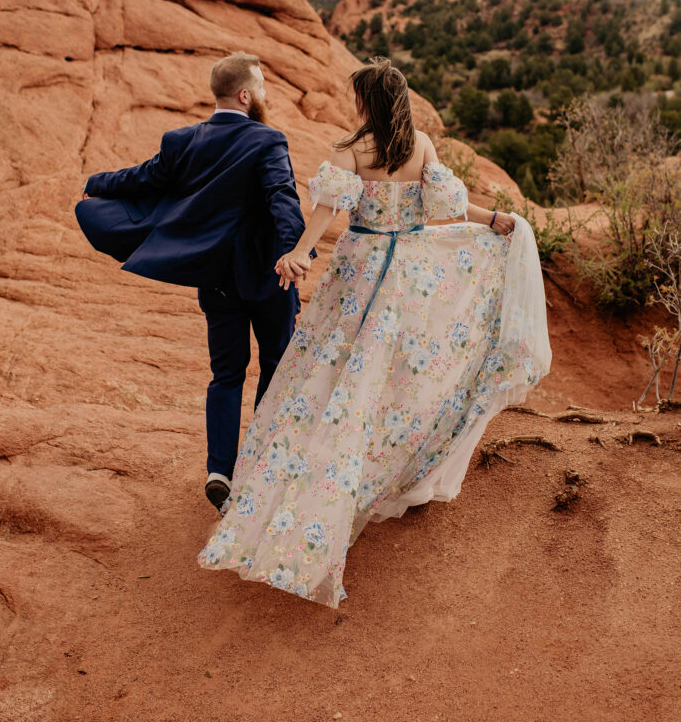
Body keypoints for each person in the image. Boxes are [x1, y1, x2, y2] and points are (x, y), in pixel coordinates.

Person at [197, 57, 551, 608]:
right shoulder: (422, 145)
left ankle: (307, 478)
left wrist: (299, 251)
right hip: (406, 273)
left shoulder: (352, 145)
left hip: (359, 270)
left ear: (367, 102)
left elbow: (330, 208)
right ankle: (376, 470)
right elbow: (443, 207)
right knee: (386, 379)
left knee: (328, 373)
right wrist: (491, 220)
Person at [75, 53, 309, 512]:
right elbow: (282, 195)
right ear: (245, 95)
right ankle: (261, 468)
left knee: (226, 374)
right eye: (260, 87)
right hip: (268, 276)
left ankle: (220, 470)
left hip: (216, 279)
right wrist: (293, 251)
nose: (264, 94)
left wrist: (97, 183)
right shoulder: (267, 139)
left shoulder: (182, 140)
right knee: (278, 364)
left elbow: (142, 177)